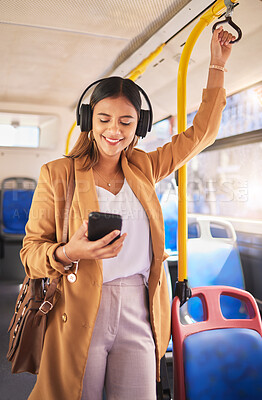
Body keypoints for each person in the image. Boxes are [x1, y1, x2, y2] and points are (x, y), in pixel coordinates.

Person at [20, 27, 235, 400]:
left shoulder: (145, 168)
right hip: (80, 306)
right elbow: (31, 253)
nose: (113, 131)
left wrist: (217, 65)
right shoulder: (58, 174)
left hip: (140, 306)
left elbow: (201, 134)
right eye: (104, 119)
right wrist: (70, 252)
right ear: (90, 121)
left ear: (139, 126)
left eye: (125, 122)